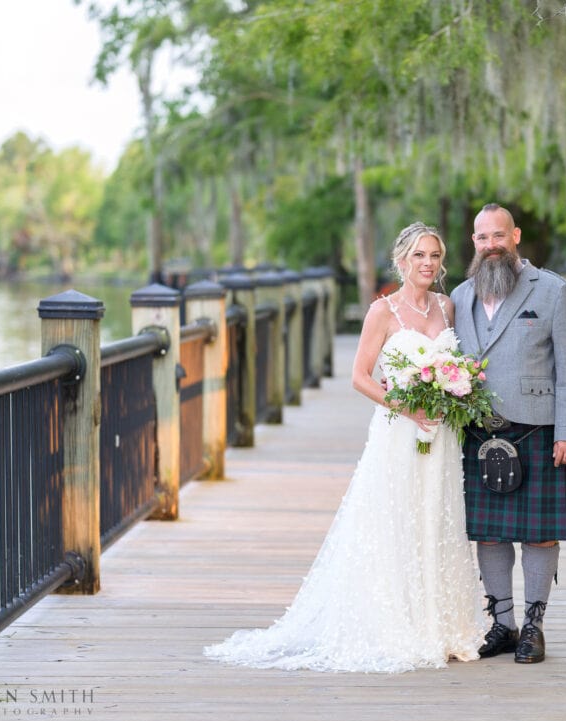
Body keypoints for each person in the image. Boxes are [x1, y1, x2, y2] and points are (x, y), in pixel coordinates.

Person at [205, 223, 485, 673]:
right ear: (401, 261)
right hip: (400, 431)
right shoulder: (382, 311)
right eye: (418, 256)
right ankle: (397, 624)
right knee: (396, 518)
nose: (428, 263)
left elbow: (458, 366)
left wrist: (454, 391)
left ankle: (442, 625)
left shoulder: (448, 308)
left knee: (437, 517)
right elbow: (360, 377)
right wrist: (408, 409)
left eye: (434, 255)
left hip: (443, 435)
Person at [450, 203, 566, 664]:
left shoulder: (553, 292)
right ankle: (502, 624)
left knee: (539, 535)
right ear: (474, 243)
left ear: (516, 236)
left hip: (537, 430)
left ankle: (533, 625)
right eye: (483, 238)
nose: (491, 245)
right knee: (488, 535)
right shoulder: (461, 296)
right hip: (478, 433)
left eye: (499, 236)